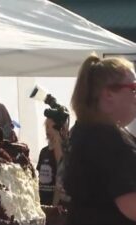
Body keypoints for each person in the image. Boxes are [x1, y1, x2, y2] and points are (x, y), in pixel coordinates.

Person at [64, 54, 136, 225]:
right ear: (108, 94)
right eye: (133, 88)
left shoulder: (83, 131)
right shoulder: (108, 141)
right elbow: (132, 206)